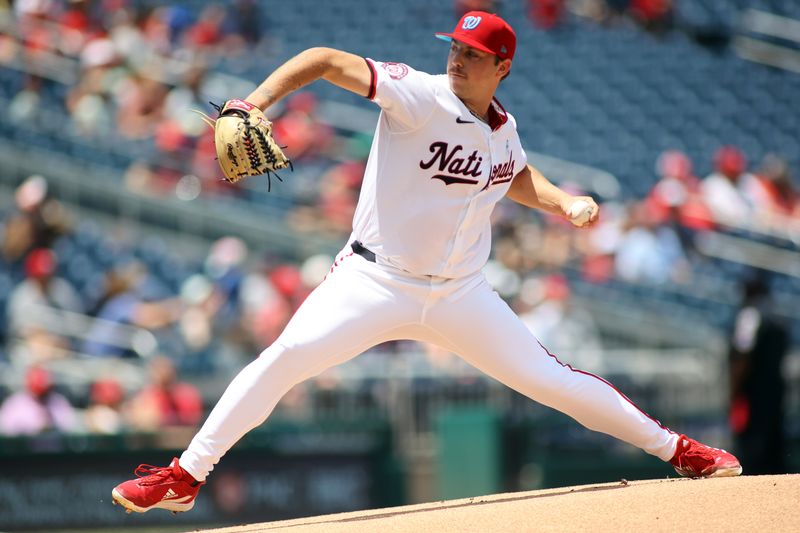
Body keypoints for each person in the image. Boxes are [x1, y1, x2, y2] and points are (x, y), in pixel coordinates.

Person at [112, 11, 741, 515]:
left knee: (554, 382)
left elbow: (515, 174)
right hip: (373, 278)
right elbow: (326, 60)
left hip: (462, 294)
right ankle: (185, 475)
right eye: (455, 48)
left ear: (502, 66)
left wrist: (563, 201)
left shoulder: (503, 126)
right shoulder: (419, 96)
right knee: (284, 360)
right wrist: (255, 102)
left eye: (471, 54)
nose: (457, 58)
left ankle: (679, 451)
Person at [728, 274, 789, 475]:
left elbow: (743, 355)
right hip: (776, 388)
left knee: (753, 444)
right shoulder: (777, 315)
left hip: (754, 392)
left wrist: (735, 389)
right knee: (774, 441)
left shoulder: (750, 316)